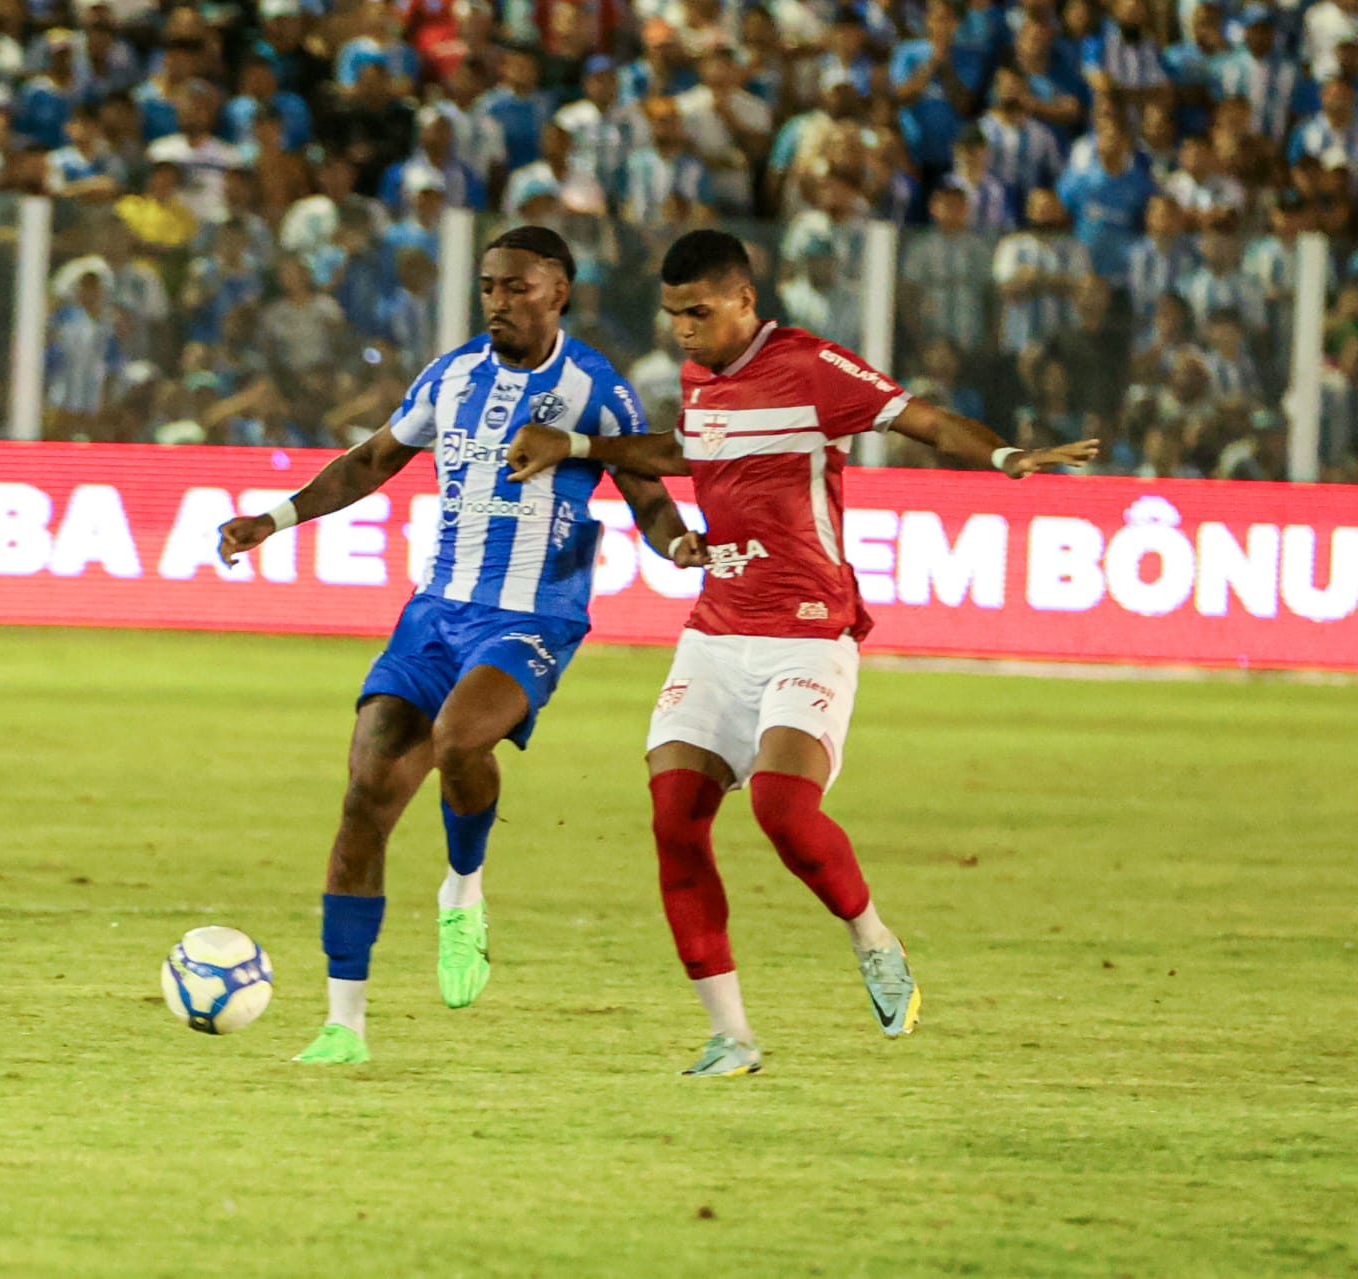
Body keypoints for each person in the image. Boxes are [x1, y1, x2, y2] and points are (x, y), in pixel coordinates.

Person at [506, 230, 1098, 1076]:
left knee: (783, 809)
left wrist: (1004, 455)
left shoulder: (812, 365)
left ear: (745, 301)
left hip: (808, 629)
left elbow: (917, 416)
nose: (682, 329)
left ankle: (872, 936)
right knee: (675, 821)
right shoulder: (699, 375)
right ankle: (731, 1035)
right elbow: (690, 450)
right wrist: (581, 447)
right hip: (716, 630)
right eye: (672, 315)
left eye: (698, 313)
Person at [215, 226, 690, 1066]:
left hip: (535, 615)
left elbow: (648, 490)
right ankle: (344, 1025)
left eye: (515, 287)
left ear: (558, 292)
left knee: (461, 736)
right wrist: (274, 518)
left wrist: (680, 545)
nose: (497, 301)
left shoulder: (594, 389)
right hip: (436, 611)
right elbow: (373, 460)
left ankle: (462, 888)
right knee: (366, 790)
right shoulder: (453, 375)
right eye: (488, 287)